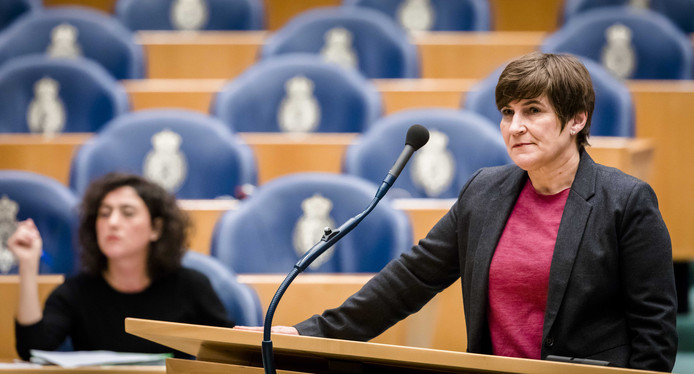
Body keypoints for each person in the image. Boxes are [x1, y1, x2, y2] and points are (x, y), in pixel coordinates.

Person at [237, 52, 678, 371]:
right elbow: (409, 281)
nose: (515, 126)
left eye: (533, 111)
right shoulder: (485, 192)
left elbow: (654, 336)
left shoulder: (626, 202)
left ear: (577, 120)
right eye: (507, 112)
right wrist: (311, 334)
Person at [9, 173, 234, 361]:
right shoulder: (76, 291)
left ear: (156, 228)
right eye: (104, 214)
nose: (112, 223)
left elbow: (232, 352)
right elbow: (32, 352)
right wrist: (28, 265)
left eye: (127, 213)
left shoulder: (191, 286)